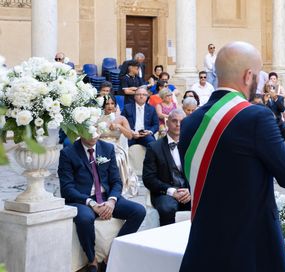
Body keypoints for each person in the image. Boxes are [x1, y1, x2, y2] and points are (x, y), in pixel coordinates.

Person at [178, 41, 285, 272]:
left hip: (203, 250)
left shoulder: (189, 124)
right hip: (250, 253)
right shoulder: (257, 117)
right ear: (248, 76)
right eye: (259, 76)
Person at [58, 135, 146, 272]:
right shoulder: (68, 153)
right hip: (83, 200)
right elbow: (67, 188)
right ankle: (92, 260)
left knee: (139, 211)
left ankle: (113, 254)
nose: (94, 135)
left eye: (97, 130)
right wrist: (91, 203)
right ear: (81, 131)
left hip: (107, 197)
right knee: (85, 218)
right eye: (90, 131)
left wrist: (111, 201)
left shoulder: (107, 148)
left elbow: (116, 181)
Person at [143, 109, 191, 226]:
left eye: (181, 121)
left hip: (188, 190)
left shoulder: (192, 144)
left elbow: (199, 172)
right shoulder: (154, 147)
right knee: (167, 209)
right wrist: (172, 191)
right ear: (167, 123)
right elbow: (148, 178)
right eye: (174, 121)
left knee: (207, 204)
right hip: (165, 192)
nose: (178, 124)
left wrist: (190, 190)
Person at [99, 95, 138, 197]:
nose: (110, 106)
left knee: (116, 159)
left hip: (115, 146)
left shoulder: (121, 118)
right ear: (103, 105)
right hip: (99, 145)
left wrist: (119, 126)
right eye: (107, 103)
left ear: (116, 105)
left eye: (112, 103)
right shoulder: (97, 118)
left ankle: (117, 186)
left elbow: (129, 136)